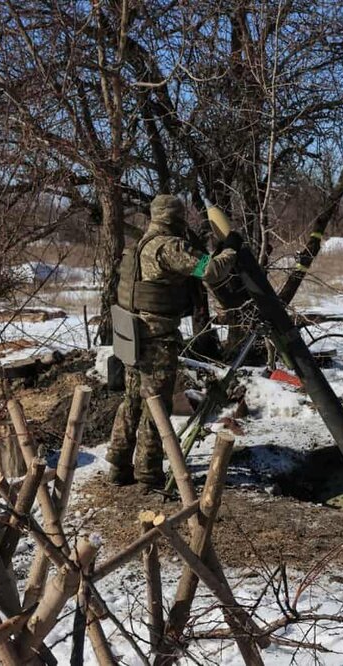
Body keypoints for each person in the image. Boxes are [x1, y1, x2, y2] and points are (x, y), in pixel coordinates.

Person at [106, 194, 238, 491]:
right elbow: (210, 270)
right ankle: (148, 473)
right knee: (156, 405)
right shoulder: (168, 247)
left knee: (132, 400)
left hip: (131, 335)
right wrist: (231, 249)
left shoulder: (139, 246)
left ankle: (118, 463)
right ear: (175, 218)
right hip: (157, 339)